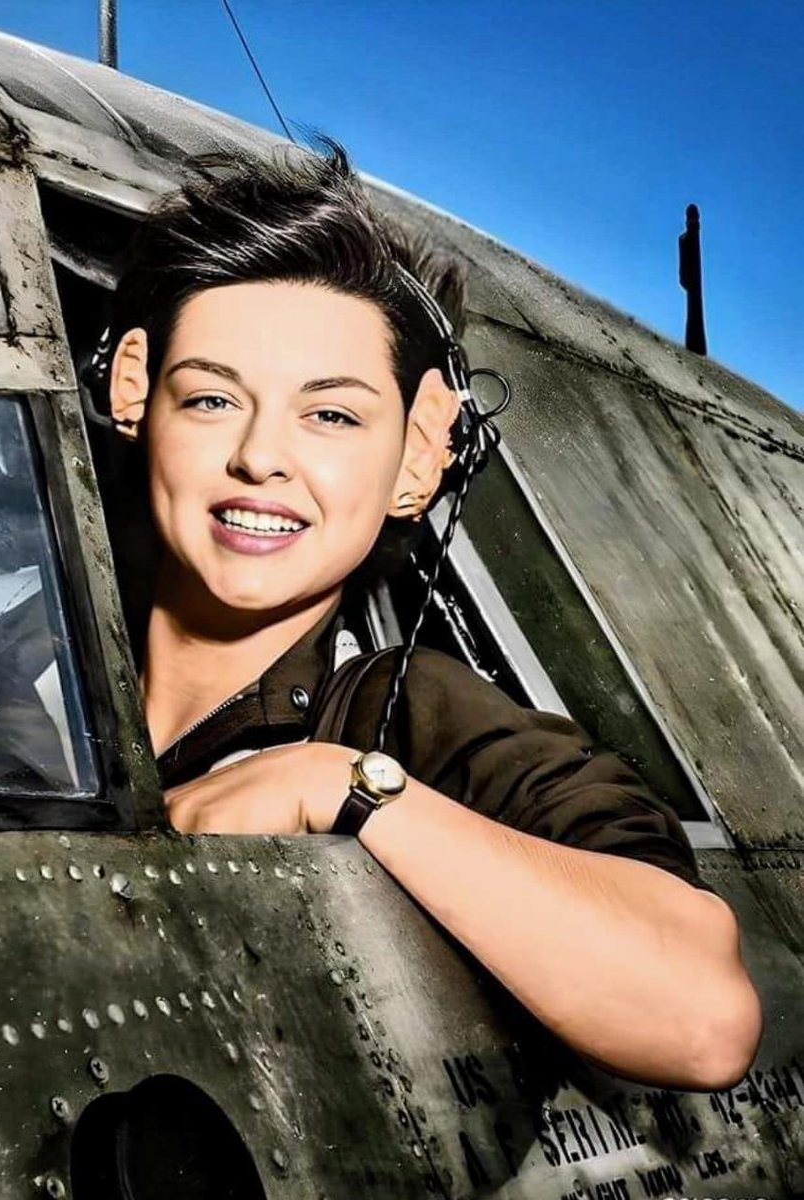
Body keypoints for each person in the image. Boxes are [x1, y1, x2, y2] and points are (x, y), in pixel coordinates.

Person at [101, 135, 762, 1093]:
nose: (259, 457)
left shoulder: (413, 716)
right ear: (135, 394)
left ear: (417, 454)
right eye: (210, 398)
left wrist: (346, 786)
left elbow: (702, 1020)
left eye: (331, 415)